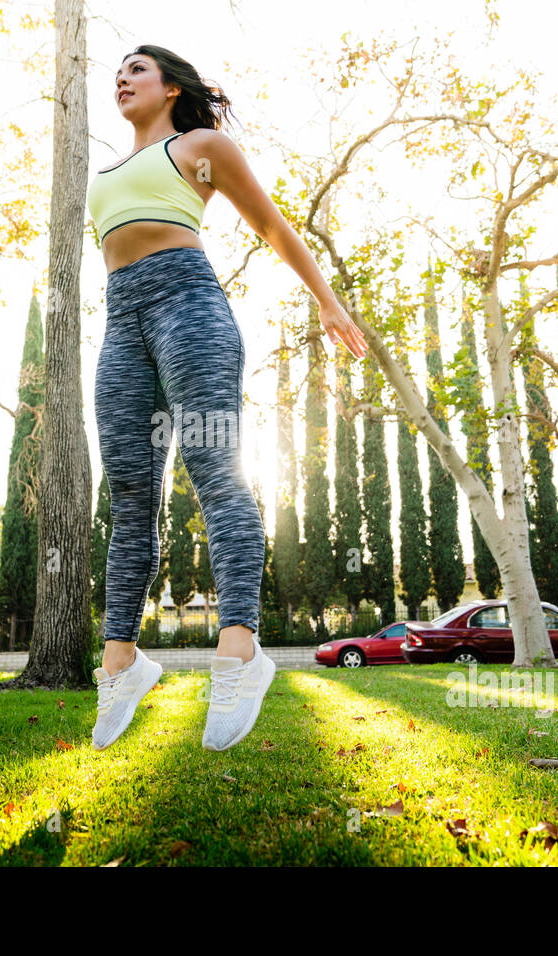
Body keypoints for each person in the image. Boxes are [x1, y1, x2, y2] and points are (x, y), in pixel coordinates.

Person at [87, 44, 367, 752]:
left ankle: (240, 650)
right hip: (123, 321)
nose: (121, 79)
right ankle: (122, 662)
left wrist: (327, 303)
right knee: (128, 497)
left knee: (216, 472)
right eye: (116, 72)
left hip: (189, 306)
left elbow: (272, 224)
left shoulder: (201, 146)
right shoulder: (107, 171)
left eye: (136, 70)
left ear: (172, 86)